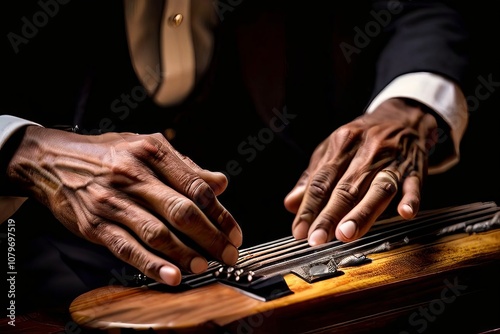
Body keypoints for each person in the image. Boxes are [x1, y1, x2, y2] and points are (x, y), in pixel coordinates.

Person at [1, 0, 470, 315]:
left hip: (283, 259)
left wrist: (411, 104)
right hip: (36, 278)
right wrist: (23, 149)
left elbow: (420, 10)